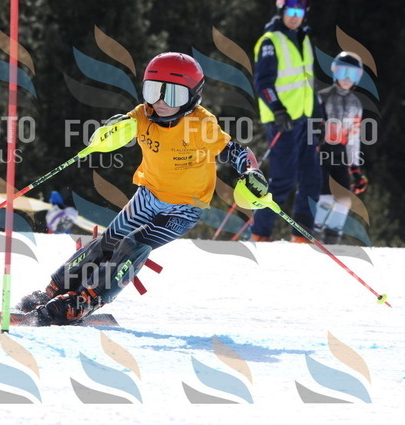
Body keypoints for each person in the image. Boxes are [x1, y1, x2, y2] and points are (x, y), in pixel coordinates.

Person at [16, 52, 268, 325]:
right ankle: (56, 290)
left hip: (185, 207)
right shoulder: (142, 115)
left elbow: (235, 151)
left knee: (133, 244)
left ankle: (87, 300)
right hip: (148, 195)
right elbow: (117, 130)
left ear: (193, 96)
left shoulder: (201, 124)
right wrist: (109, 131)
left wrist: (251, 172)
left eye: (172, 95)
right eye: (152, 91)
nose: (160, 102)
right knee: (108, 241)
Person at [251, 0, 321, 243]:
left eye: (299, 11)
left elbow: (308, 83)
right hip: (282, 121)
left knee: (312, 179)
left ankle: (301, 235)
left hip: (304, 119)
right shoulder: (271, 41)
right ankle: (260, 234)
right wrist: (278, 110)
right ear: (281, 11)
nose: (294, 16)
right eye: (290, 11)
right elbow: (263, 83)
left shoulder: (303, 38)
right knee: (283, 180)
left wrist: (317, 116)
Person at [313, 52, 368, 244]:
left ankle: (332, 238)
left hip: (341, 154)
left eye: (352, 75)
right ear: (335, 72)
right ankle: (312, 231)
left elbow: (353, 138)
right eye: (343, 72)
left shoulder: (356, 104)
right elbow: (311, 126)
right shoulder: (322, 97)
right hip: (321, 152)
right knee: (325, 197)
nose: (346, 79)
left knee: (344, 199)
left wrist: (355, 168)